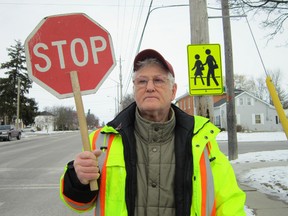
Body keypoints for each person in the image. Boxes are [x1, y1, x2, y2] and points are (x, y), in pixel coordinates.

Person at [59, 49, 246, 216]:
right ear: (134, 89)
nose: (149, 87)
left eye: (158, 80)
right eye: (142, 81)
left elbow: (229, 202)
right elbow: (78, 204)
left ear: (173, 91)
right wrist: (78, 179)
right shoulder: (102, 140)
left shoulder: (201, 141)